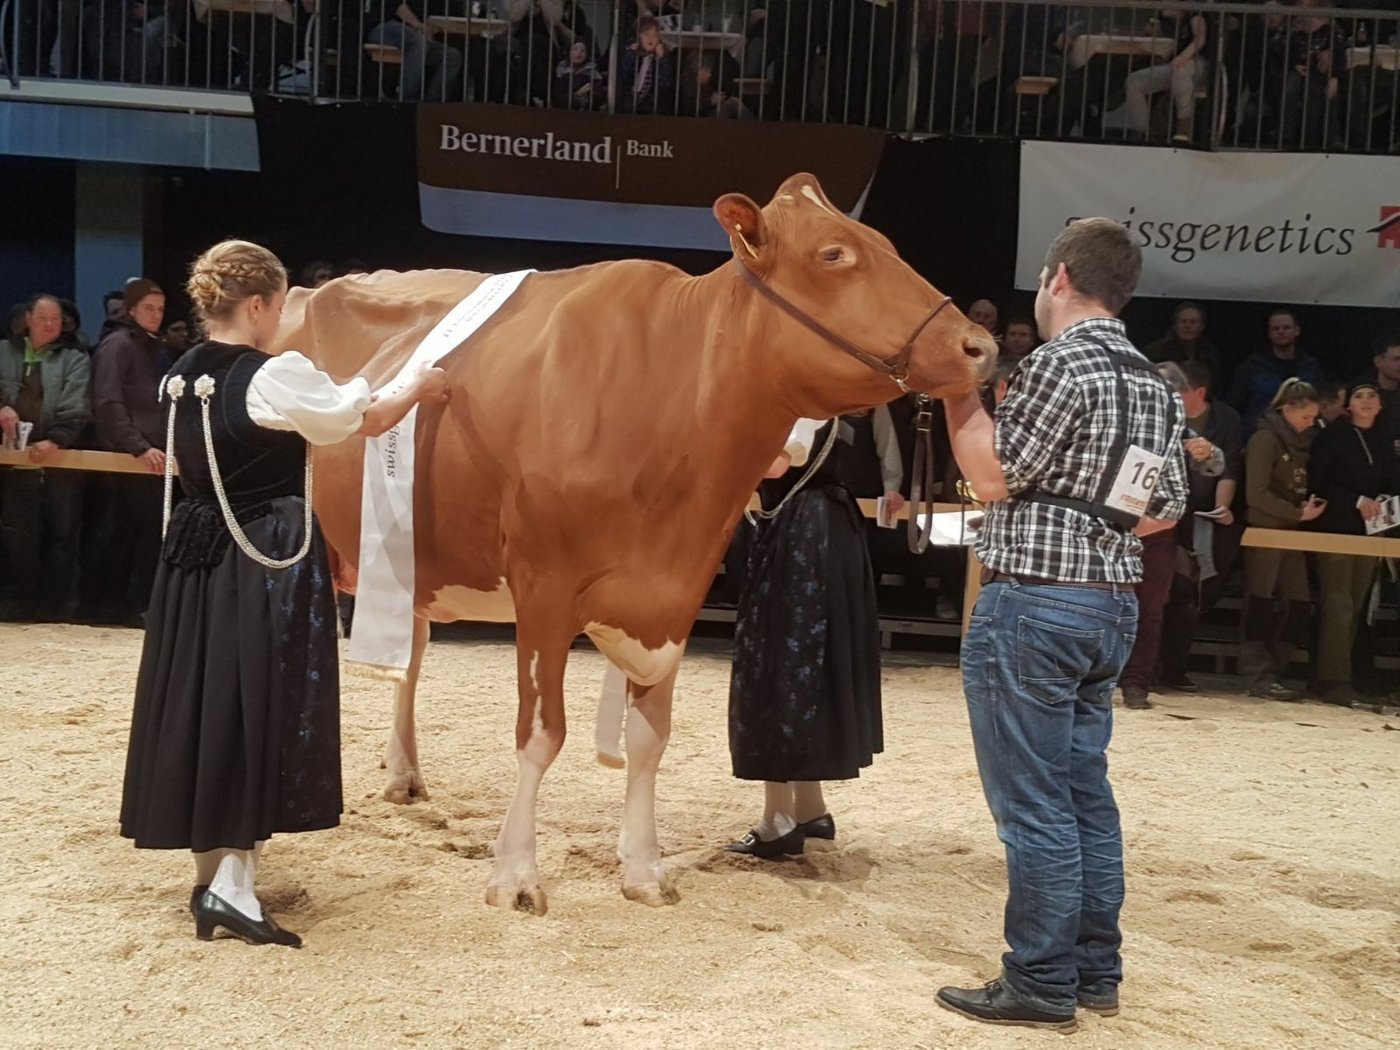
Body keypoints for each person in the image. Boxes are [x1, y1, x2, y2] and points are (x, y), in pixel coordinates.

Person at [119, 239, 449, 947]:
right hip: (260, 558)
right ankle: (234, 888)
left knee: (207, 703)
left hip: (195, 556)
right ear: (263, 303)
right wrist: (419, 386)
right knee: (254, 704)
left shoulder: (179, 375)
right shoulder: (274, 375)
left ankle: (212, 875)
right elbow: (362, 418)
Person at [937, 218, 1187, 1031]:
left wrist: (953, 391)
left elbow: (991, 474)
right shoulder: (1154, 383)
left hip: (1037, 602)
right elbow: (1166, 508)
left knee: (1035, 804)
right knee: (1084, 794)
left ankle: (1040, 978)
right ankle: (1092, 970)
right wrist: (1093, 522)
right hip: (1110, 604)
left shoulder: (1056, 364)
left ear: (1060, 278)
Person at [725, 417, 883, 858]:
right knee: (805, 669)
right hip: (824, 528)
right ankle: (810, 807)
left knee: (778, 667)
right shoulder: (833, 396)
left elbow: (774, 465)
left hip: (801, 536)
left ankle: (777, 819)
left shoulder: (803, 404)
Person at [1118, 361, 1224, 710]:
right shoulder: (1118, 421)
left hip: (1159, 532)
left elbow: (1214, 462)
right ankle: (1100, 680)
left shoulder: (1180, 432)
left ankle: (1137, 684)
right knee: (1104, 604)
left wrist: (1208, 453)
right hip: (1113, 525)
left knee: (1150, 609)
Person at [84, 278, 174, 626]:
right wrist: (139, 446)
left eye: (160, 309)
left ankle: (133, 605)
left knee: (144, 534)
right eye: (149, 308)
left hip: (150, 457)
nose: (155, 315)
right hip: (124, 458)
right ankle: (107, 607)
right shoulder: (117, 345)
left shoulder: (156, 348)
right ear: (131, 309)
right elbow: (107, 404)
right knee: (118, 535)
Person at [1306, 381, 1400, 706]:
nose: (1366, 400)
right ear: (1348, 406)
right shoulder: (1334, 436)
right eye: (1359, 396)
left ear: (1381, 404)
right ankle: (1332, 680)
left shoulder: (1385, 440)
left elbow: (1392, 481)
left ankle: (1339, 677)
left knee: (1356, 605)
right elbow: (1318, 482)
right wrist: (1356, 500)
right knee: (1338, 603)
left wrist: (1387, 498)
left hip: (1371, 533)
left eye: (1372, 395)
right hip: (1336, 527)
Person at [0, 294, 92, 621]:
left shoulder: (75, 357)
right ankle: (20, 605)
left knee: (62, 536)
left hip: (61, 461)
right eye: (42, 319)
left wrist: (56, 439)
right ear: (27, 319)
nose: (50, 325)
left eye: (55, 319)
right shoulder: (4, 352)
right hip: (13, 463)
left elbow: (78, 406)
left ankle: (54, 609)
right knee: (16, 534)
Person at [1158, 360, 1244, 692]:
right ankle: (1143, 671)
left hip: (1188, 518)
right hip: (1147, 519)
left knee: (1185, 592)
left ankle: (1172, 669)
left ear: (1196, 392)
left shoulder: (1217, 422)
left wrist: (1221, 503)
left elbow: (1224, 465)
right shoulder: (1147, 420)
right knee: (1159, 595)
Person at [1240, 378, 1326, 701]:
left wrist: (1300, 511)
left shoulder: (1297, 443)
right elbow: (1255, 493)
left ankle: (1275, 669)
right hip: (1266, 531)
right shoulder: (1265, 439)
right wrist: (1296, 513)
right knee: (1260, 602)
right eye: (1305, 417)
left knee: (1299, 602)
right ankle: (1256, 675)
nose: (1310, 424)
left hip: (1290, 531)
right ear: (1287, 409)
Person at [1124, 1, 1211, 143]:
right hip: (1174, 66)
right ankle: (1141, 131)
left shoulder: (1194, 14)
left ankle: (1184, 125)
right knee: (1134, 81)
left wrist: (1183, 57)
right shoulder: (1167, 21)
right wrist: (1152, 33)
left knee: (1181, 72)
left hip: (1198, 63)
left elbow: (1200, 38)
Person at [1229, 308, 1326, 433]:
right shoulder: (1251, 367)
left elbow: (1320, 403)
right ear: (1269, 333)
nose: (1281, 331)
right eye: (1275, 328)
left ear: (1297, 330)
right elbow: (1236, 405)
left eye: (1286, 328)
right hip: (1260, 434)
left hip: (1303, 436)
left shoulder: (1311, 366)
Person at [1143, 302, 1217, 372]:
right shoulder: (1155, 351)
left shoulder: (1209, 353)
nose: (1187, 326)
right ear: (1174, 325)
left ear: (1202, 327)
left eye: (1193, 322)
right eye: (1183, 321)